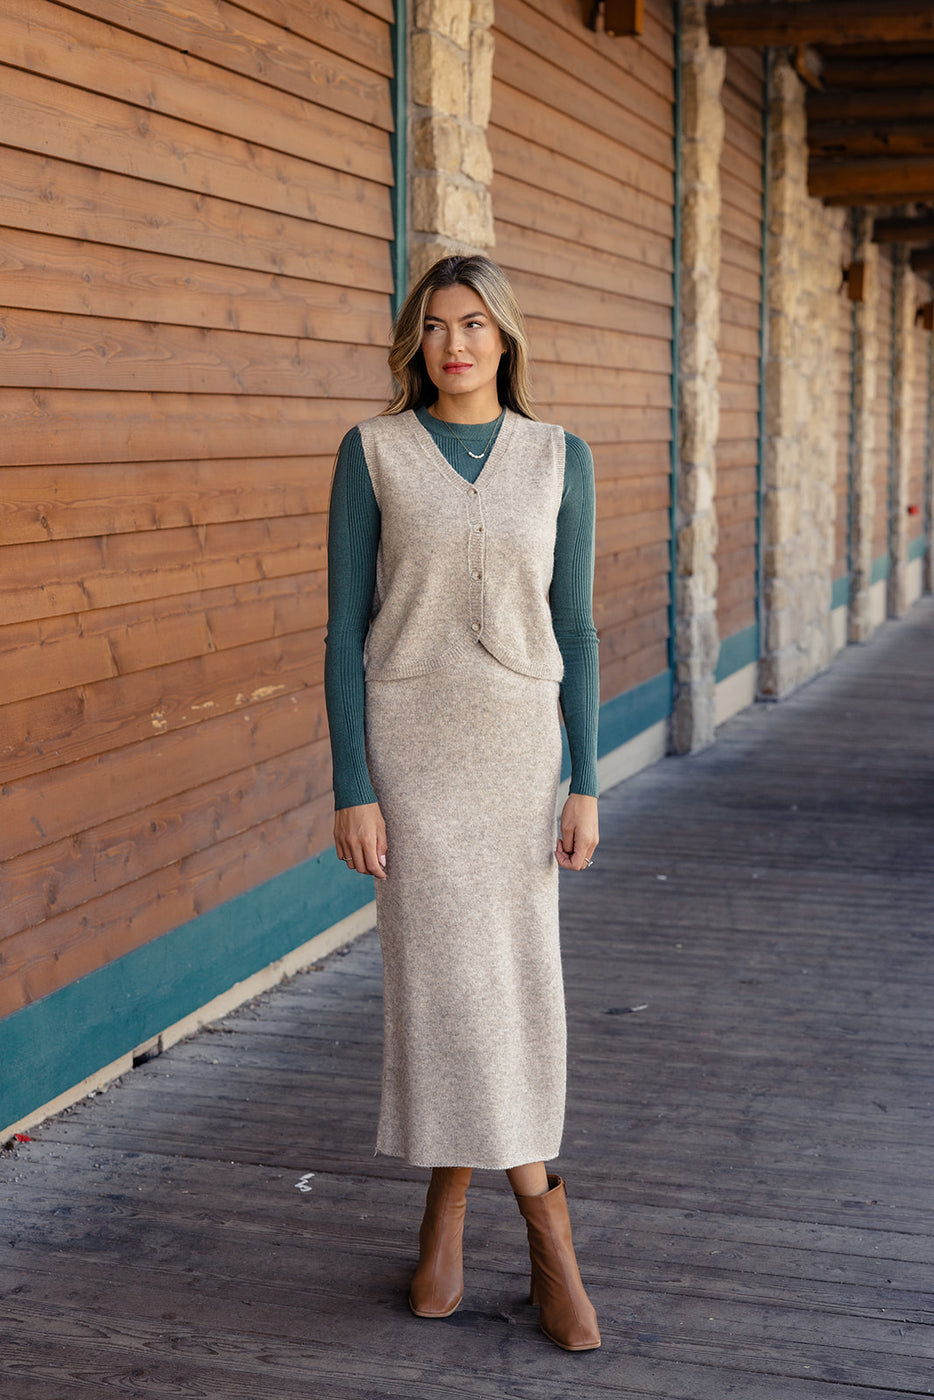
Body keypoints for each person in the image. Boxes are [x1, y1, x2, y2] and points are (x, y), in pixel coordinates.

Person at [324, 254, 601, 1352]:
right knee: (443, 976)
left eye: (475, 324)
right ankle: (540, 1221)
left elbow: (572, 627)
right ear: (415, 342)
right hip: (415, 751)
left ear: (507, 338)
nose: (455, 344)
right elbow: (342, 629)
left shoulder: (558, 456)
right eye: (436, 326)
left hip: (521, 747)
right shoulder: (374, 452)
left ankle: (468, 1199)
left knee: (513, 975)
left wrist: (587, 776)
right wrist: (352, 785)